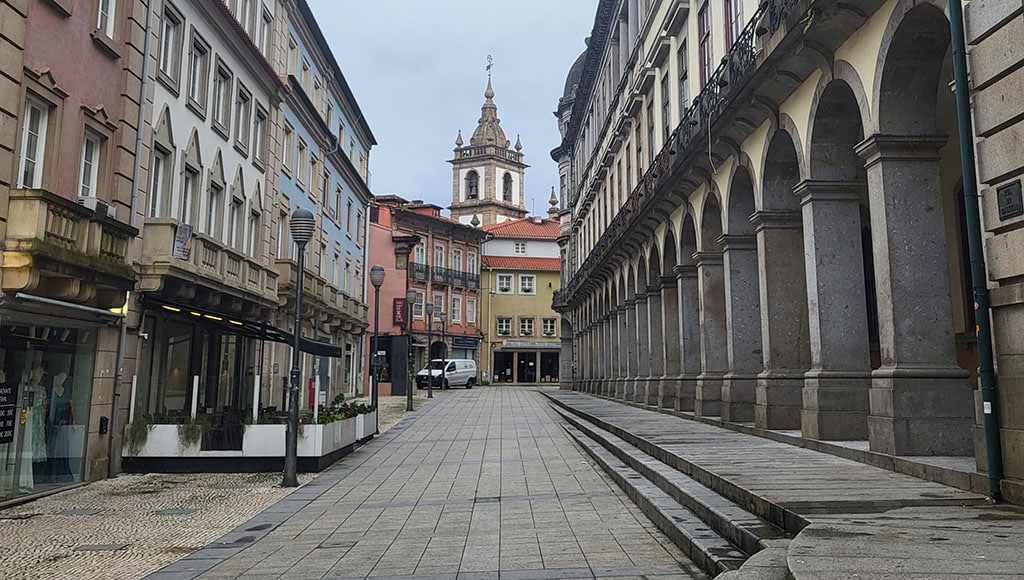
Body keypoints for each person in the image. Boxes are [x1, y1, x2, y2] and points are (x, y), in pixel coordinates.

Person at [47, 371, 74, 483]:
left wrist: (74, 421)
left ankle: (61, 473)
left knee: (62, 449)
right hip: (53, 422)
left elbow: (71, 406)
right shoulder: (51, 390)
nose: (61, 380)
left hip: (63, 423)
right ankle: (51, 473)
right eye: (59, 378)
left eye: (63, 378)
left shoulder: (67, 392)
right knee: (53, 448)